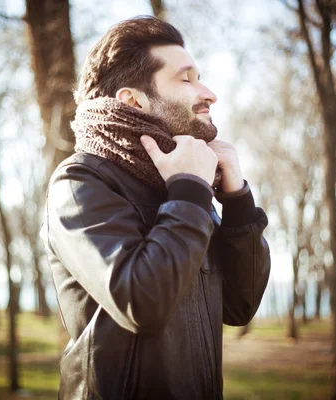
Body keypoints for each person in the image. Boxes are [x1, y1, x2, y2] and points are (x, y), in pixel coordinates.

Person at [41, 15, 271, 399]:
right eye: (187, 79)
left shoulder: (182, 186)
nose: (209, 93)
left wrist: (237, 203)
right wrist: (190, 192)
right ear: (134, 100)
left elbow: (239, 306)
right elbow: (141, 302)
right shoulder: (79, 183)